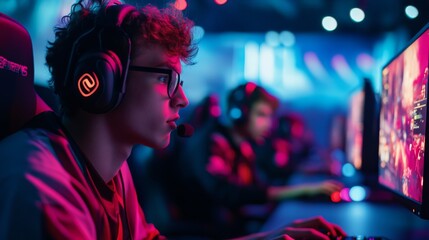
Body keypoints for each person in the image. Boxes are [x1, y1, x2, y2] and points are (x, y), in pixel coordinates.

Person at [0, 0, 346, 239]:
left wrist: (267, 238)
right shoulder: (43, 186)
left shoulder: (109, 167)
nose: (181, 99)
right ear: (102, 79)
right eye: (166, 78)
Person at [172, 82, 344, 238]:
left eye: (269, 117)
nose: (268, 124)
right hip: (208, 233)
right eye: (261, 115)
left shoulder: (243, 145)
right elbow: (228, 193)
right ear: (239, 114)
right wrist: (302, 191)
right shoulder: (210, 143)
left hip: (231, 229)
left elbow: (264, 179)